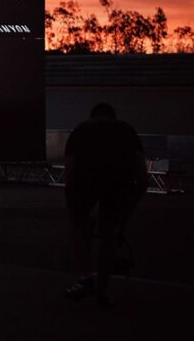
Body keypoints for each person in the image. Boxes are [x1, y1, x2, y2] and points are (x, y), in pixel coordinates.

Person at [63, 103, 149, 309]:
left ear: (92, 116)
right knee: (108, 237)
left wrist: (72, 203)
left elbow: (70, 171)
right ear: (114, 117)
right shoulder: (127, 132)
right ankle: (102, 290)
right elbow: (141, 175)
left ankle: (85, 278)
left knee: (78, 227)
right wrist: (129, 208)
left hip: (85, 185)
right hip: (118, 186)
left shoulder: (81, 131)